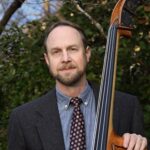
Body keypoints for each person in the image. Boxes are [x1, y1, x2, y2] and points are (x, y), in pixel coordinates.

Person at [8, 21, 148, 150]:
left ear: (87, 54)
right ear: (47, 60)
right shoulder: (22, 118)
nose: (65, 59)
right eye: (56, 52)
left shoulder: (127, 106)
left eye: (72, 49)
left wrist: (140, 146)